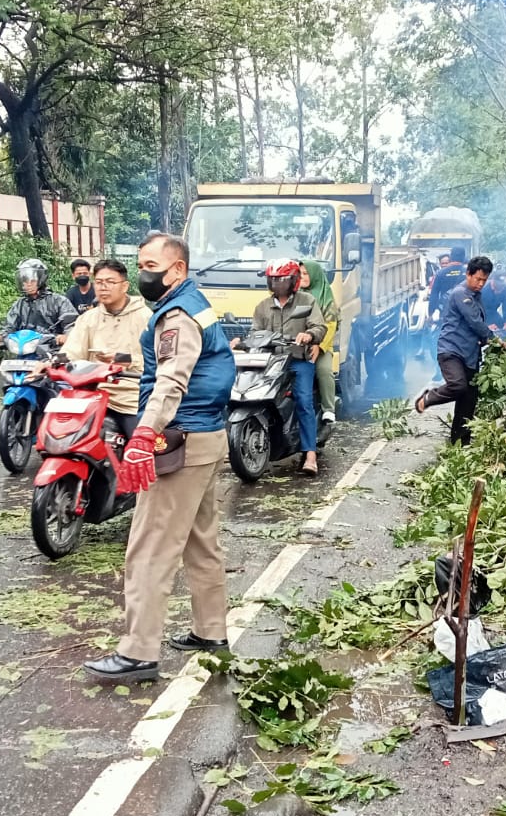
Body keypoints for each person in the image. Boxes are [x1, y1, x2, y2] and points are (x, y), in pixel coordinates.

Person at [83, 233, 238, 683]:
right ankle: (211, 632)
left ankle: (138, 653)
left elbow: (172, 379)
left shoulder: (175, 315)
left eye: (151, 264)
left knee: (149, 549)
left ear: (178, 270)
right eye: (141, 263)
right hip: (206, 436)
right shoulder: (194, 303)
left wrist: (145, 432)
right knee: (200, 542)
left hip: (181, 439)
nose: (143, 272)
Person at [243, 259, 327, 477]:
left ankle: (310, 454)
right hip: (269, 362)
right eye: (274, 280)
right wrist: (244, 341)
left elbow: (320, 326)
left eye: (282, 280)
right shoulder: (262, 306)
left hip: (297, 360)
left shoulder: (306, 301)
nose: (277, 284)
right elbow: (255, 332)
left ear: (293, 281)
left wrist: (309, 335)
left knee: (303, 401)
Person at [62, 258, 150, 440]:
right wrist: (51, 363)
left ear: (124, 286)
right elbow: (71, 351)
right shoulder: (88, 318)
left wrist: (125, 359)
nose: (103, 287)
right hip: (93, 394)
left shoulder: (145, 317)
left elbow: (158, 361)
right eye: (99, 282)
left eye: (110, 282)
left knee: (139, 447)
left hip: (131, 397)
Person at [415, 256, 496, 445]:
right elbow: (475, 322)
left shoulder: (477, 296)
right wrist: (494, 339)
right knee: (458, 385)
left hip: (470, 354)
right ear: (468, 274)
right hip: (451, 350)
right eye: (478, 279)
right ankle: (427, 398)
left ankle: (460, 444)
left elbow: (481, 322)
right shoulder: (461, 294)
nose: (481, 284)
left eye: (484, 280)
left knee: (469, 399)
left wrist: (488, 339)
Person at [0, 258, 78, 345]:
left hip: (53, 348)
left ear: (41, 280)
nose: (28, 284)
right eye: (25, 281)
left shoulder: (59, 301)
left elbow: (71, 323)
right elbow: (10, 325)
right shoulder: (19, 304)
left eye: (32, 281)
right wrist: (1, 336)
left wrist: (66, 335)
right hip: (24, 348)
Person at [301, 259, 339, 428]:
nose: (301, 277)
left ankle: (328, 409)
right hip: (298, 344)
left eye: (305, 273)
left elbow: (331, 326)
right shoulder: (295, 294)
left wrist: (319, 344)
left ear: (315, 275)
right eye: (299, 273)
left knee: (324, 370)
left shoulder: (326, 297)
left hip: (322, 345)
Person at [427, 246, 467, 320]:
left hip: (446, 312)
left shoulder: (440, 273)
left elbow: (434, 295)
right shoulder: (470, 273)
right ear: (464, 257)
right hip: (465, 313)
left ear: (451, 257)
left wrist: (430, 314)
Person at [483, 270, 506, 338]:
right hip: (481, 314)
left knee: (504, 333)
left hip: (493, 312)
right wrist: (486, 325)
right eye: (496, 289)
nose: (498, 292)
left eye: (500, 290)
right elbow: (476, 311)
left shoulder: (505, 290)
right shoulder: (483, 290)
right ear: (492, 281)